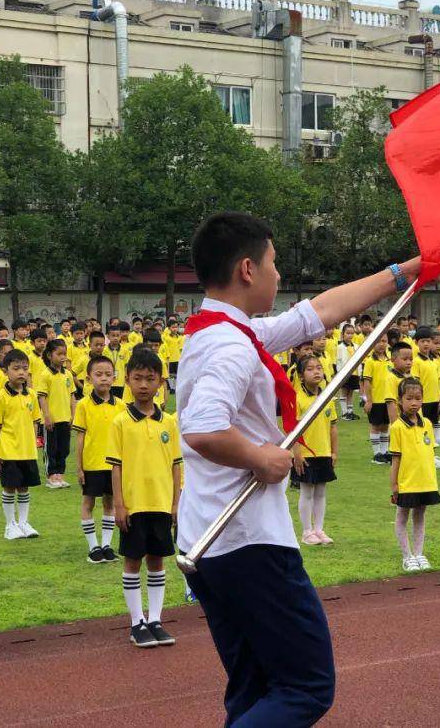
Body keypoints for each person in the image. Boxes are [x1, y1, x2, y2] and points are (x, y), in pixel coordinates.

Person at [177, 212, 420, 725]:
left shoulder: (226, 332)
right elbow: (202, 429)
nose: (278, 274)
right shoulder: (228, 345)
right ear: (247, 269)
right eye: (273, 262)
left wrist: (409, 271)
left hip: (211, 538)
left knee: (254, 687)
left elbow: (320, 311)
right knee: (306, 687)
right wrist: (261, 456)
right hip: (247, 542)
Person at [111, 348, 182, 649]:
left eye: (150, 379)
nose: (143, 385)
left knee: (157, 561)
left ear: (160, 383)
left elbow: (176, 465)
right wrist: (119, 504)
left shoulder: (169, 423)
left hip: (161, 503)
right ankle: (136, 621)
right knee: (132, 561)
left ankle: (155, 619)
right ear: (127, 380)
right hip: (134, 504)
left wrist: (176, 503)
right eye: (137, 378)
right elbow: (116, 466)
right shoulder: (120, 422)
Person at [73, 354, 124, 563]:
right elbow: (80, 437)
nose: (104, 378)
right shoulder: (84, 405)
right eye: (99, 374)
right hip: (92, 462)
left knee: (109, 503)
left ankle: (107, 545)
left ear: (115, 377)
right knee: (88, 502)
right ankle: (93, 546)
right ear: (88, 378)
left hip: (113, 464)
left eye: (108, 374)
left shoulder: (121, 406)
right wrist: (79, 467)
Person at [389, 376, 440, 571]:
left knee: (420, 515)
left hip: (425, 480)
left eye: (418, 398)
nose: (414, 403)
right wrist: (394, 485)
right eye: (409, 398)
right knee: (402, 516)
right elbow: (396, 459)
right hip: (406, 482)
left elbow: (429, 452)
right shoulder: (397, 427)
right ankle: (407, 556)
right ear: (400, 401)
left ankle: (419, 553)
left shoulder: (427, 423)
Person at [0, 350, 43, 540]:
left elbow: (36, 420)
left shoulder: (32, 396)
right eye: (16, 368)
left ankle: (23, 523)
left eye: (25, 368)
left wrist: (34, 442)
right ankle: (10, 525)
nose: (21, 372)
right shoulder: (0, 397)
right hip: (8, 450)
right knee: (9, 487)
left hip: (27, 450)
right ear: (6, 371)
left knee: (24, 487)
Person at [292, 355, 338, 546]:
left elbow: (333, 426)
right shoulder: (297, 397)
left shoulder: (327, 396)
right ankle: (306, 531)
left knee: (321, 492)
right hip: (305, 453)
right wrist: (297, 453)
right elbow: (292, 428)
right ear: (301, 376)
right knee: (307, 492)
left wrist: (334, 451)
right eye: (310, 369)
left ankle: (319, 529)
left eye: (319, 367)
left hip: (324, 452)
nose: (316, 371)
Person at [37, 338, 76, 490]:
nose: (62, 357)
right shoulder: (45, 374)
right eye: (59, 354)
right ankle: (51, 475)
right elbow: (42, 396)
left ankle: (60, 474)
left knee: (64, 448)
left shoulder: (67, 375)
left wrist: (73, 414)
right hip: (52, 419)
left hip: (65, 418)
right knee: (50, 448)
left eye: (64, 354)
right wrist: (47, 416)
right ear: (49, 355)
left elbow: (72, 395)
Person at [412, 327, 440, 451]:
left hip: (435, 399)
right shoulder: (416, 362)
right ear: (416, 343)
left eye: (428, 341)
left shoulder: (434, 361)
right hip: (423, 401)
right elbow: (415, 383)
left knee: (433, 424)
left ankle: (432, 454)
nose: (426, 344)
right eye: (423, 341)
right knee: (423, 427)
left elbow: (439, 380)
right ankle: (426, 453)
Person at [362, 330, 392, 465]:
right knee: (376, 425)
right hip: (376, 399)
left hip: (388, 399)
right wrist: (369, 400)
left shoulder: (390, 359)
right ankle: (376, 453)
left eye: (384, 341)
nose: (381, 344)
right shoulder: (369, 361)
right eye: (378, 341)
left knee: (386, 425)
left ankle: (385, 451)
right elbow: (367, 382)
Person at [335, 323, 359, 420]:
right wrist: (341, 373)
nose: (350, 335)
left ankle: (350, 411)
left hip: (354, 373)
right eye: (348, 333)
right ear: (343, 334)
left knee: (351, 392)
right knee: (344, 392)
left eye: (352, 333)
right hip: (345, 373)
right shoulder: (340, 347)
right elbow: (339, 361)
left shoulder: (356, 346)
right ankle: (344, 413)